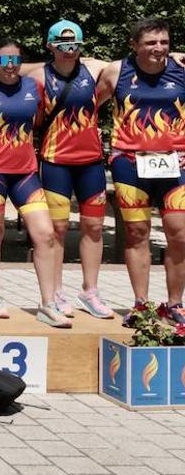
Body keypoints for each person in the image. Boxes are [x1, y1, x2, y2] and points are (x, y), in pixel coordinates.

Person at [18, 20, 115, 318]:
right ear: (50, 46)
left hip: (91, 162)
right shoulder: (38, 76)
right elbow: (9, 72)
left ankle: (91, 291)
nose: (69, 50)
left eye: (74, 45)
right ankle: (56, 292)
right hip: (55, 161)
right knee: (57, 230)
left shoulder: (94, 68)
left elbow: (127, 64)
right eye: (62, 45)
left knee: (94, 227)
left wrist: (175, 56)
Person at [0, 39, 70, 327]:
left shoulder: (33, 87)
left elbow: (40, 120)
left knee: (46, 234)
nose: (10, 66)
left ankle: (48, 303)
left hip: (25, 172)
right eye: (4, 60)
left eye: (15, 60)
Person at [96, 18, 185, 322]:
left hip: (175, 163)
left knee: (180, 234)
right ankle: (141, 305)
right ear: (133, 46)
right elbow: (88, 107)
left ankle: (174, 304)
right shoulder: (116, 72)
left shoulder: (181, 69)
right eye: (150, 42)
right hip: (130, 162)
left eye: (164, 42)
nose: (158, 48)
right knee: (136, 232)